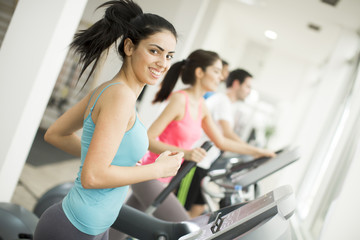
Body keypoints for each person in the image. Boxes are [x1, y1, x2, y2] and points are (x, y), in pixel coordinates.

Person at [33, 1, 183, 240]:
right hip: (73, 229)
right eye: (154, 51)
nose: (163, 63)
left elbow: (56, 133)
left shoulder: (110, 90)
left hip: (94, 227)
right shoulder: (120, 96)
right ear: (129, 47)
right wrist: (156, 169)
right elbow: (93, 177)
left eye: (169, 56)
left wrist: (113, 164)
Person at [125, 50, 275, 222]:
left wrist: (258, 152)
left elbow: (221, 141)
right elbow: (148, 139)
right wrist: (186, 153)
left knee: (121, 227)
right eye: (216, 72)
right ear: (199, 72)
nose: (220, 78)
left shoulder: (201, 105)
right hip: (149, 172)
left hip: (165, 176)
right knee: (183, 227)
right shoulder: (180, 100)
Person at [180, 68, 272, 218]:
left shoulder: (226, 103)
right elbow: (227, 136)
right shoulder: (222, 101)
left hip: (204, 163)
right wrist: (256, 151)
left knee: (198, 207)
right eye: (247, 86)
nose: (249, 91)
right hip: (195, 162)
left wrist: (254, 151)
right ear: (236, 84)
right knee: (180, 211)